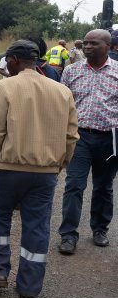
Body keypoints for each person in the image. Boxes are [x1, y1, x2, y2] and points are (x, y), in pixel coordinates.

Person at [0, 40, 78, 298]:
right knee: (37, 226)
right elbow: (71, 136)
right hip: (45, 173)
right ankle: (30, 287)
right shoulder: (62, 91)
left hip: (7, 169)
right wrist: (60, 164)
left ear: (13, 60)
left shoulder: (4, 87)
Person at [56, 29, 118, 254]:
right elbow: (63, 106)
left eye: (94, 43)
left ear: (108, 46)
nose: (88, 47)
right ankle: (68, 235)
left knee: (104, 187)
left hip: (109, 139)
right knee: (74, 185)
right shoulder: (71, 71)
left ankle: (100, 229)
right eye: (86, 43)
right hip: (79, 137)